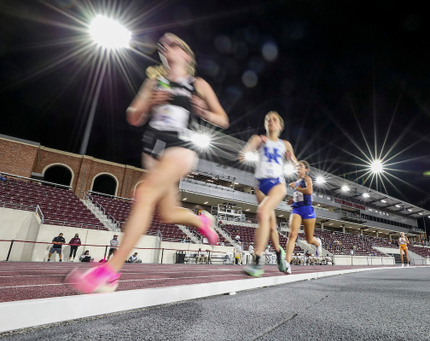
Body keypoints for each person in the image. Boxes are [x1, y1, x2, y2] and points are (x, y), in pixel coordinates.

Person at [67, 33, 229, 294]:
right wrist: (149, 104)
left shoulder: (196, 83)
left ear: (186, 55)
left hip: (181, 147)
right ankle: (203, 222)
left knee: (144, 193)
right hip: (153, 149)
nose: (165, 47)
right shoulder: (154, 81)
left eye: (173, 44)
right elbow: (133, 116)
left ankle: (110, 271)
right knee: (167, 213)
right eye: (163, 46)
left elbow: (223, 119)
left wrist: (203, 111)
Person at [240, 111, 297, 277]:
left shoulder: (285, 144)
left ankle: (257, 261)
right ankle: (279, 254)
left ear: (280, 126)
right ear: (265, 125)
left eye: (274, 120)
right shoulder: (258, 139)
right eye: (267, 120)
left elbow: (296, 163)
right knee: (271, 226)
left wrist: (291, 159)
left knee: (262, 212)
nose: (270, 121)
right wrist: (249, 151)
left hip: (277, 184)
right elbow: (244, 153)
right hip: (260, 185)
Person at [283, 160, 321, 274]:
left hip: (307, 209)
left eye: (301, 166)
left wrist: (296, 188)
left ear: (306, 170)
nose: (298, 167)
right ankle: (287, 263)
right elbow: (299, 195)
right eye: (297, 166)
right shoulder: (296, 182)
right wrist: (291, 200)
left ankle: (317, 243)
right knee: (292, 234)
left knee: (309, 239)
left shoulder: (307, 179)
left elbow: (309, 191)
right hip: (297, 209)